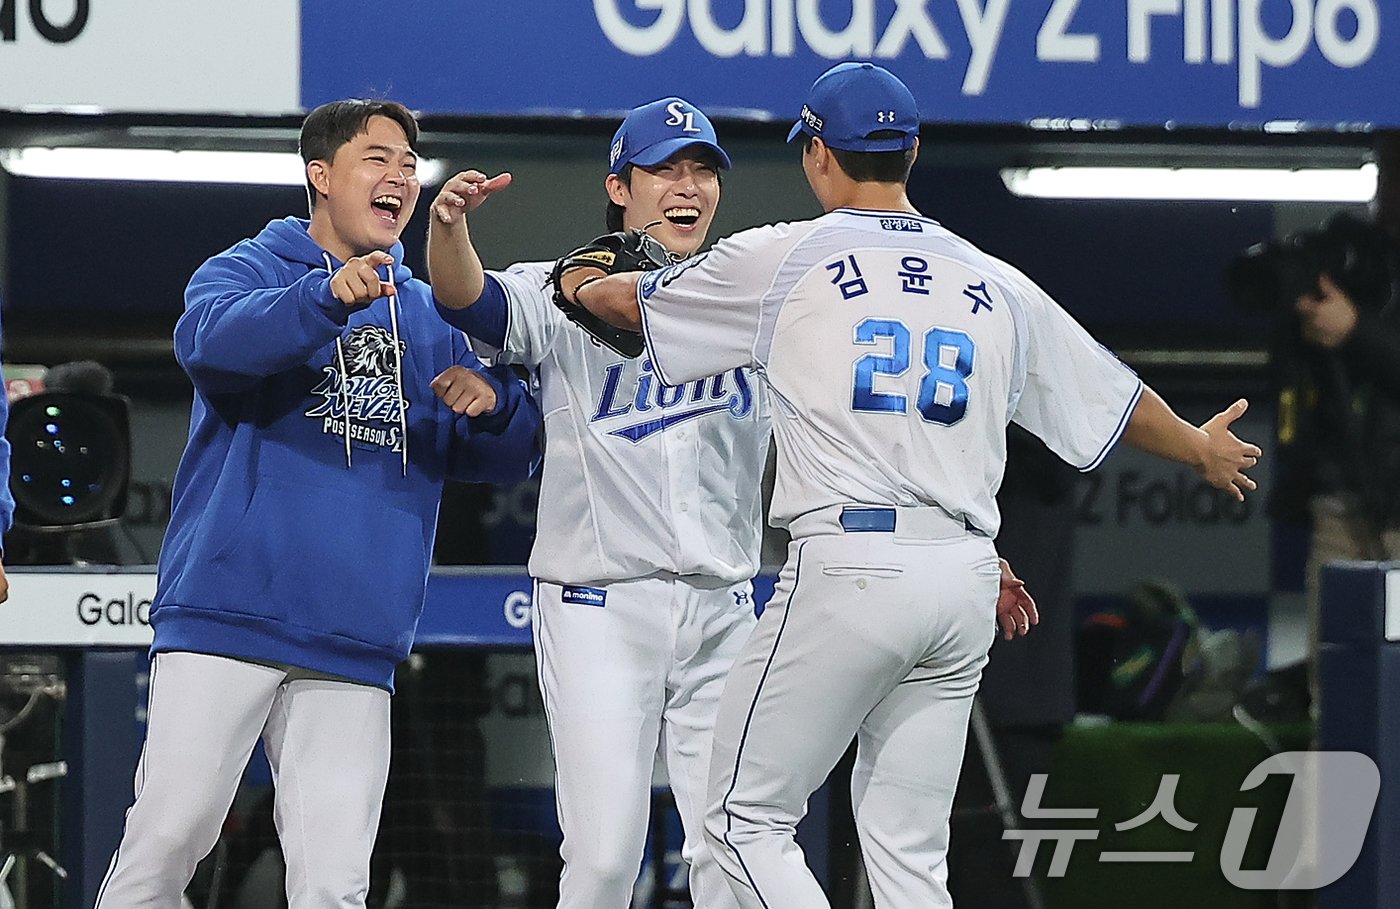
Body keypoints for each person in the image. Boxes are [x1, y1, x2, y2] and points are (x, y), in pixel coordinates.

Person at [560, 62, 1261, 908]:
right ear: (913, 151)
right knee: (908, 851)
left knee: (740, 822)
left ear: (818, 154)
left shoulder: (787, 254)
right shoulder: (991, 278)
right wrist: (1196, 447)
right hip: (967, 577)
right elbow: (1109, 393)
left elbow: (631, 307)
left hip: (852, 566)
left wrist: (582, 280)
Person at [94, 98, 542, 909]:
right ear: (320, 175)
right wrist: (324, 300)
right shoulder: (250, 268)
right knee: (167, 840)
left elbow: (506, 457)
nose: (400, 175)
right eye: (378, 158)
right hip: (229, 616)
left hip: (353, 638)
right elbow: (209, 345)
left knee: (335, 884)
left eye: (409, 162)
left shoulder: (430, 314)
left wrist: (498, 402)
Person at [426, 96, 770, 909]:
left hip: (724, 607)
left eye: (702, 170)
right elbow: (468, 302)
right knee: (607, 856)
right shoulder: (563, 292)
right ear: (620, 186)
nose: (688, 186)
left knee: (739, 847)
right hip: (599, 603)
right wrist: (448, 228)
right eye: (665, 170)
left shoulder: (749, 297)